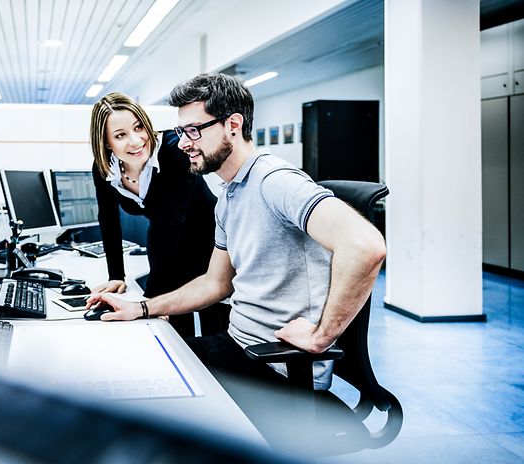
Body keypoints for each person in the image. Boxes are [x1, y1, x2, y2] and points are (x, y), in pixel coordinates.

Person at [87, 75, 386, 389]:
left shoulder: (275, 181)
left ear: (232, 124)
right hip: (236, 347)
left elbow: (366, 246)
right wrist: (142, 308)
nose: (184, 143)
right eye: (181, 131)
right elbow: (215, 283)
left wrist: (322, 336)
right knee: (125, 365)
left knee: (139, 386)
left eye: (193, 131)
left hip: (274, 365)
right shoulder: (230, 195)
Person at [89, 92, 229, 338]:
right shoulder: (105, 168)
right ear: (106, 142)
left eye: (138, 127)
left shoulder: (174, 151)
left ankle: (215, 363)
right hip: (164, 234)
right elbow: (108, 219)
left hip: (207, 233)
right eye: (120, 135)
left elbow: (172, 222)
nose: (135, 141)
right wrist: (116, 275)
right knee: (170, 319)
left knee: (207, 305)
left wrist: (149, 302)